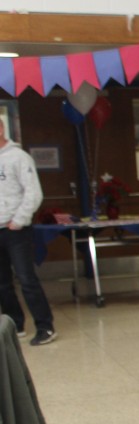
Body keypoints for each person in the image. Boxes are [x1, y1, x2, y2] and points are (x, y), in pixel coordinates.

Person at [0, 118, 55, 345]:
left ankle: (45, 327)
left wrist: (19, 220)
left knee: (26, 278)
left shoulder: (19, 158)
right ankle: (15, 325)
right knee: (2, 283)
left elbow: (33, 193)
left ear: (1, 129)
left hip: (16, 229)